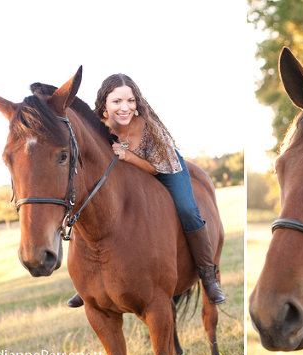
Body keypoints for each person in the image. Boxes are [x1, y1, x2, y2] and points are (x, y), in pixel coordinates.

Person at [67, 74, 225, 307]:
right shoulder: (98, 127)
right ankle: (88, 282)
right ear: (104, 105)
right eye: (117, 101)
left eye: (131, 101)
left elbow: (155, 169)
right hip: (130, 175)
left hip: (165, 167)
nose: (125, 107)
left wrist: (129, 156)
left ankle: (208, 275)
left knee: (188, 209)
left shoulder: (147, 127)